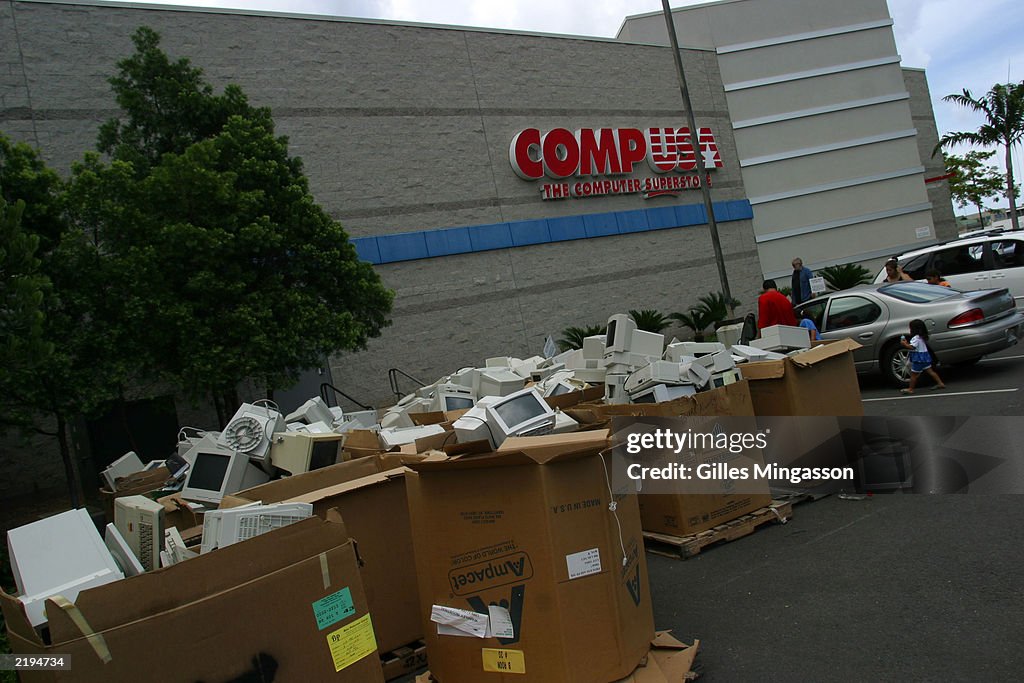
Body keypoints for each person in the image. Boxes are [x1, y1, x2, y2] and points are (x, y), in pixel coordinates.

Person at [899, 319, 945, 394]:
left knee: (913, 374)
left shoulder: (915, 338)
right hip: (925, 357)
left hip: (918, 359)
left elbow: (912, 347)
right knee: (930, 371)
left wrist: (904, 344)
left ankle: (910, 389)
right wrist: (908, 344)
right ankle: (940, 383)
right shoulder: (922, 337)